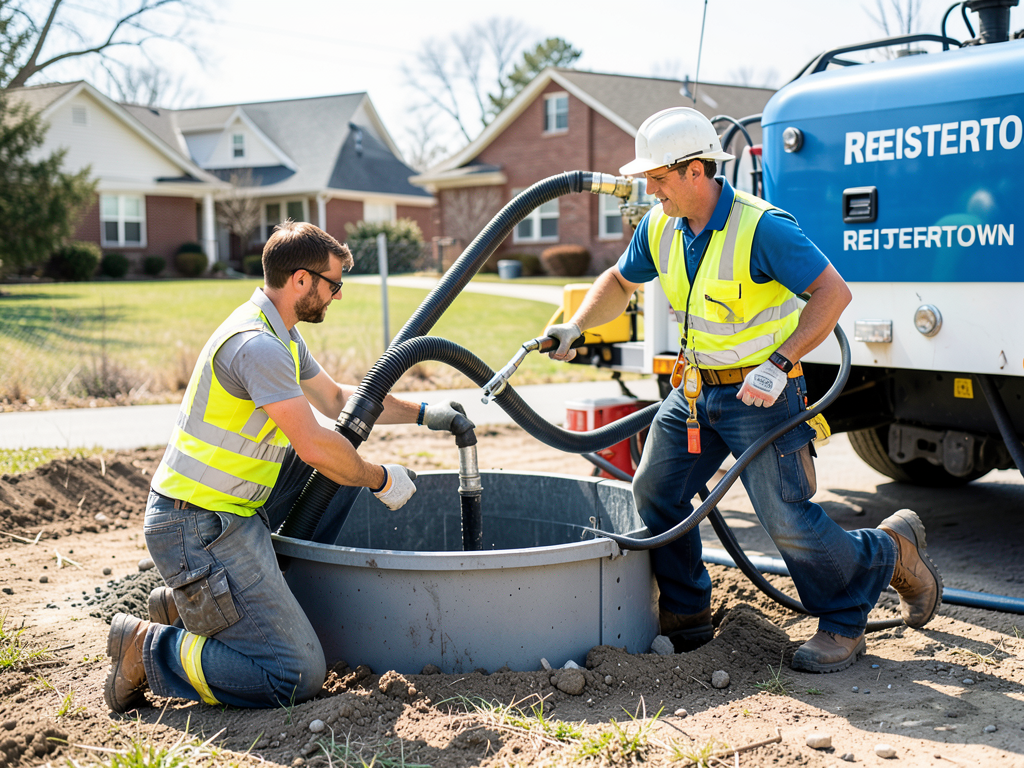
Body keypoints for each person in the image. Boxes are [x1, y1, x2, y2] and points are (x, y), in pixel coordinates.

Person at [545, 107, 942, 673]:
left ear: (697, 171)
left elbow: (833, 294)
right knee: (655, 491)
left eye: (658, 177)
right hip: (693, 393)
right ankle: (686, 614)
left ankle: (867, 583)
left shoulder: (763, 227)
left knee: (786, 518)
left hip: (763, 395)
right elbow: (619, 280)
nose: (648, 189)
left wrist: (780, 363)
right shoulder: (661, 225)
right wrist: (576, 325)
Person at [104, 221, 473, 712]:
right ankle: (148, 648)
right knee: (293, 673)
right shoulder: (257, 347)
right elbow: (314, 446)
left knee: (346, 447)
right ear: (301, 280)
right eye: (333, 284)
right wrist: (377, 478)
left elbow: (342, 401)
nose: (337, 296)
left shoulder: (280, 336)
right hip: (196, 525)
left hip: (228, 507)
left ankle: (192, 606)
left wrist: (426, 414)